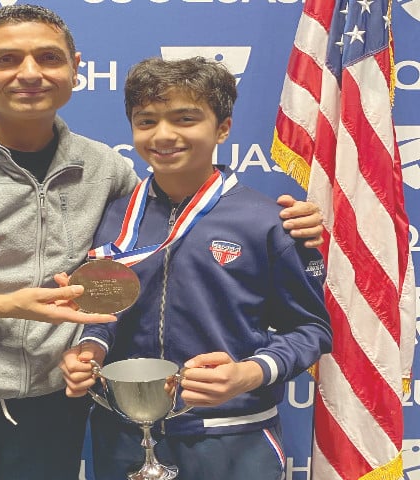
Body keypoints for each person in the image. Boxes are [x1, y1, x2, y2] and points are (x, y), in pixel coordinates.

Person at [0, 5, 324, 480]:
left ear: (75, 69)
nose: (30, 72)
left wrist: (289, 224)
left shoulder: (106, 170)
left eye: (49, 57)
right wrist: (1, 304)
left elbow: (125, 279)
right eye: (8, 59)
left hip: (52, 407)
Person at [59, 56, 332, 480]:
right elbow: (103, 309)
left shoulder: (270, 221)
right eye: (146, 121)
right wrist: (91, 348)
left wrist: (248, 373)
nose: (163, 135)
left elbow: (311, 331)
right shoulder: (114, 216)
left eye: (185, 118)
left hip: (231, 436)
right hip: (123, 435)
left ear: (223, 127)